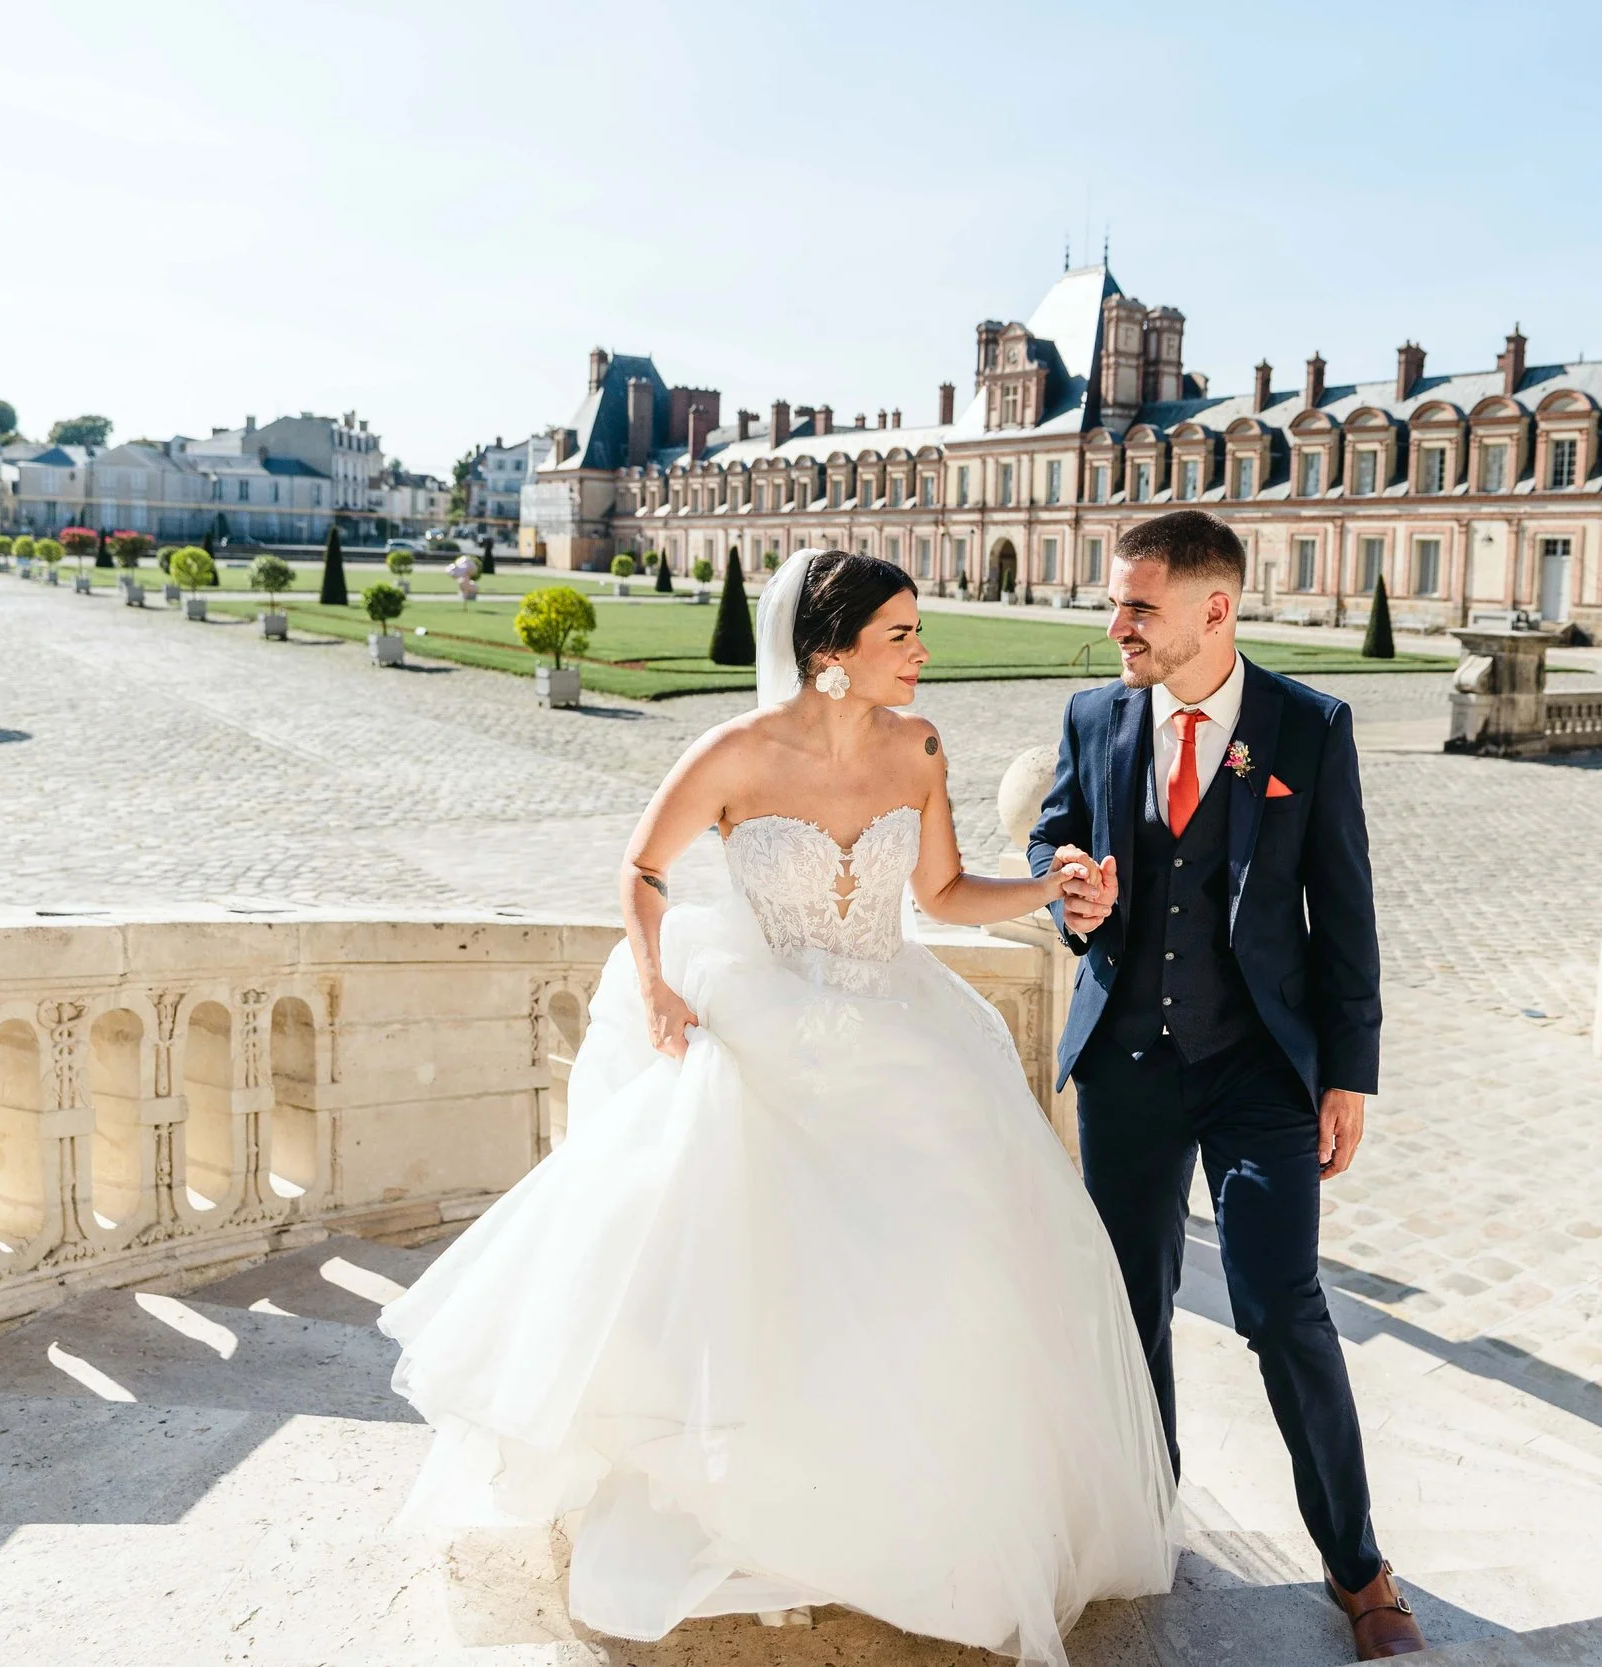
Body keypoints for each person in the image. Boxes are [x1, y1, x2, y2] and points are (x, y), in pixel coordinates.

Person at [380, 549, 1175, 1666]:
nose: (922, 652)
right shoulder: (733, 753)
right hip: (765, 1022)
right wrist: (655, 978)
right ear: (830, 653)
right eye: (901, 633)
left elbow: (941, 892)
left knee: (950, 1259)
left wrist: (1052, 885)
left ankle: (904, 1514)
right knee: (751, 1263)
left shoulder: (920, 746)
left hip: (901, 1029)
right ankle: (758, 1522)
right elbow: (642, 867)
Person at [1027, 509, 1422, 1661]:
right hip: (1128, 1067)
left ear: (1216, 608)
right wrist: (1066, 889)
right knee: (1131, 1307)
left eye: (1138, 606)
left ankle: (1360, 1568)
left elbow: (1344, 912)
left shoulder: (1308, 725)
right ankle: (1147, 1520)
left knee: (1280, 1304)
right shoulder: (1094, 715)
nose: (1116, 627)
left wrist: (1348, 1074)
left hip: (1260, 1069)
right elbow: (1058, 836)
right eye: (1116, 603)